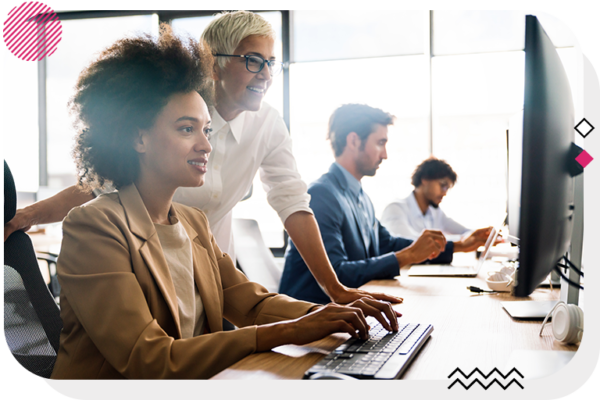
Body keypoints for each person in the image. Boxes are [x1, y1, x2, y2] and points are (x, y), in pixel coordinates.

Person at [49, 26, 399, 379]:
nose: (206, 145)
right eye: (187, 129)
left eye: (206, 130)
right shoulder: (93, 227)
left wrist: (328, 314)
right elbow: (149, 358)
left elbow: (253, 304)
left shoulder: (192, 222)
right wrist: (291, 331)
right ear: (138, 138)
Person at [2, 10, 398, 306]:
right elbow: (98, 186)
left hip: (211, 275)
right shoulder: (172, 117)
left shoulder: (268, 124)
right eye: (252, 60)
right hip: (145, 272)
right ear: (215, 62)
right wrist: (27, 216)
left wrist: (336, 291)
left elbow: (292, 203)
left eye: (270, 63)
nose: (265, 73)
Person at [279, 104, 453, 304]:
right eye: (380, 143)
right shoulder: (320, 195)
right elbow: (337, 276)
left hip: (347, 313)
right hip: (310, 318)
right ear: (353, 141)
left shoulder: (360, 196)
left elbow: (386, 244)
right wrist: (409, 255)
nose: (385, 154)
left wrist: (457, 246)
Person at [380, 157, 494, 246]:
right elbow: (408, 244)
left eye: (447, 189)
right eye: (443, 186)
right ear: (424, 179)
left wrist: (484, 235)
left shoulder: (435, 212)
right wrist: (462, 242)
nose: (444, 193)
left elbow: (464, 231)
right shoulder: (395, 209)